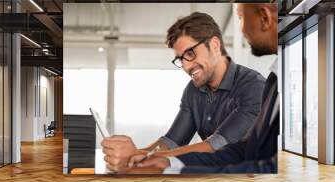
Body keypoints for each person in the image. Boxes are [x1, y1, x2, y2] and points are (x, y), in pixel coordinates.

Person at [101, 12, 266, 172]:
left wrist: (139, 156)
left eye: (190, 53)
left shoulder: (253, 86)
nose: (186, 66)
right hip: (211, 180)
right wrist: (132, 157)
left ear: (215, 45)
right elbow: (171, 142)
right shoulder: (193, 90)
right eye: (180, 59)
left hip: (253, 181)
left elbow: (215, 145)